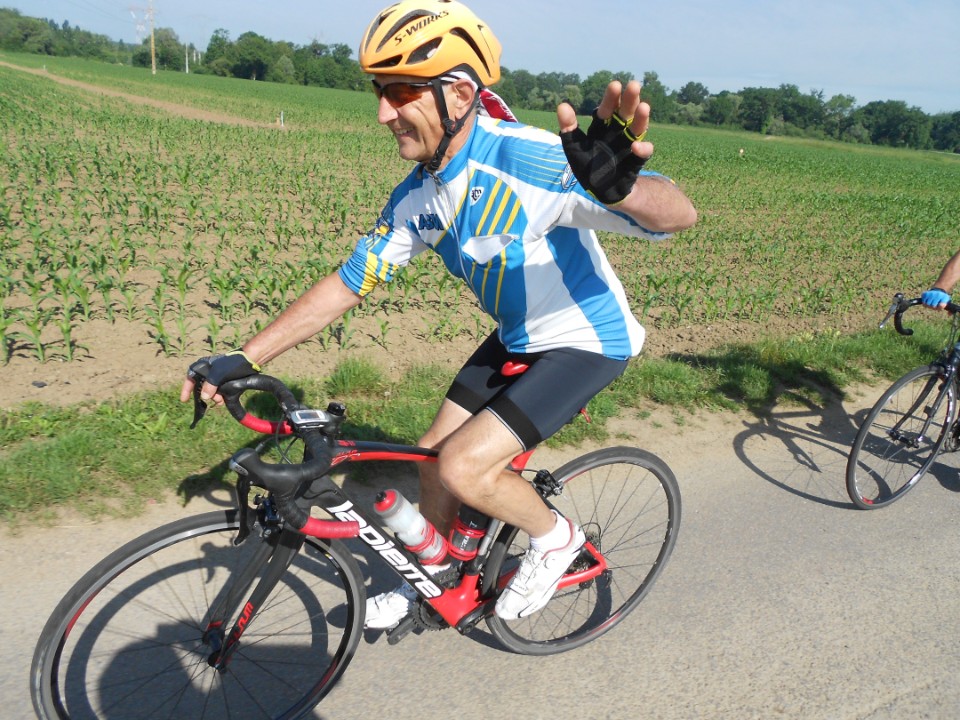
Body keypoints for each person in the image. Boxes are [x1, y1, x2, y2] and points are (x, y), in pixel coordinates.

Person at [181, 0, 697, 629]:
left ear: (458, 93)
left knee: (463, 464)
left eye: (401, 91)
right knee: (431, 459)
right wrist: (247, 355)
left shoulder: (529, 160)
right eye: (379, 91)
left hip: (587, 341)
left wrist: (627, 190)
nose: (383, 112)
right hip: (519, 335)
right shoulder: (419, 195)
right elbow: (348, 284)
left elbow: (680, 215)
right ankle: (437, 578)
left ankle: (556, 539)